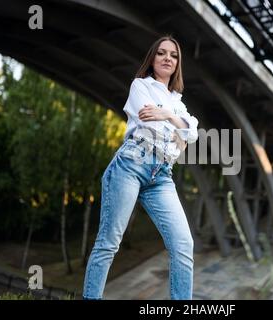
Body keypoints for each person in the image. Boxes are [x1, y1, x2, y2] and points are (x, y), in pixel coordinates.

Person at [82, 35, 199, 300]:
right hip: (131, 166)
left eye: (173, 55)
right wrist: (178, 129)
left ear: (178, 63)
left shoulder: (177, 103)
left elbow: (194, 135)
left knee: (183, 245)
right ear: (153, 58)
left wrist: (167, 115)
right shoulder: (140, 85)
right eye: (161, 53)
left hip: (162, 176)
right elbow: (154, 127)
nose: (168, 58)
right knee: (109, 243)